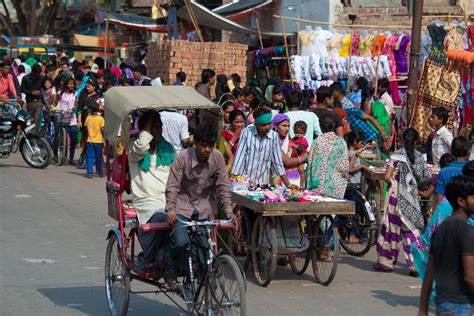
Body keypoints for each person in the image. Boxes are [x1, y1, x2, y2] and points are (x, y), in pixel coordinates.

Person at [165, 123, 235, 284]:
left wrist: (228, 210)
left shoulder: (217, 157)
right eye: (203, 145)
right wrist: (170, 210)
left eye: (210, 146)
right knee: (181, 241)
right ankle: (171, 266)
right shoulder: (182, 157)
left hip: (205, 208)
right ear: (196, 142)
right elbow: (173, 186)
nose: (207, 150)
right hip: (182, 206)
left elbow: (223, 186)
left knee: (207, 252)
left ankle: (211, 297)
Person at [374, 128, 432, 276]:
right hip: (411, 199)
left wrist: (394, 184)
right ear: (417, 141)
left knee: (391, 229)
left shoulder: (397, 155)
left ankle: (386, 262)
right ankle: (415, 266)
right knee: (411, 232)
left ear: (401, 139)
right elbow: (425, 179)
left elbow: (387, 176)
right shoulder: (420, 157)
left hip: (395, 198)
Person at [418, 175, 474, 316]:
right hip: (461, 305)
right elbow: (469, 277)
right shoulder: (467, 232)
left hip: (443, 304)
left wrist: (423, 309)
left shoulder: (440, 230)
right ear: (461, 201)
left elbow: (429, 273)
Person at [128, 110, 174, 269]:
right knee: (163, 219)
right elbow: (141, 146)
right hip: (147, 202)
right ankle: (150, 258)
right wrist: (147, 125)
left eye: (159, 126)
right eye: (154, 127)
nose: (158, 130)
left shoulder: (168, 149)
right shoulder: (134, 148)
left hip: (168, 200)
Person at [231, 106, 296, 188]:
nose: (267, 127)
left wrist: (288, 184)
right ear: (256, 124)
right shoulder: (247, 132)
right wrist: (231, 179)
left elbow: (278, 163)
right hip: (245, 182)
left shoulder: (274, 136)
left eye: (269, 124)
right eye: (264, 125)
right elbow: (239, 158)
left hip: (262, 183)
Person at [306, 114, 349, 198]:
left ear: (320, 126)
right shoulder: (341, 142)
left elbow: (310, 164)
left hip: (317, 186)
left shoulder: (316, 142)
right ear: (333, 125)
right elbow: (344, 167)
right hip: (336, 187)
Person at [434, 136, 472, 210]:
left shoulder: (444, 172)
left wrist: (433, 220)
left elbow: (438, 201)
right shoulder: (471, 169)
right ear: (469, 151)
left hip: (450, 216)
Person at [272, 114, 307, 187]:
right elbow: (287, 162)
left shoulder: (288, 139)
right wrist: (305, 157)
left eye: (288, 126)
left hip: (294, 177)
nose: (287, 128)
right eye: (284, 126)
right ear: (275, 126)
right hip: (279, 178)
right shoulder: (272, 141)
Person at [54, 78, 79, 164]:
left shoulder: (75, 93)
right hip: (62, 117)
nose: (71, 85)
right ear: (66, 85)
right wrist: (55, 109)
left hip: (72, 118)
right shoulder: (60, 93)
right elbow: (55, 103)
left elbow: (76, 103)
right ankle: (59, 156)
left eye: (73, 84)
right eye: (70, 84)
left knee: (74, 139)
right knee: (59, 138)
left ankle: (71, 158)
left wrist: (75, 107)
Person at [84, 102, 104, 178]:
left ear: (90, 110)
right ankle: (99, 171)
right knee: (98, 157)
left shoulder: (88, 118)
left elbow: (86, 128)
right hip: (98, 141)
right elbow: (102, 129)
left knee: (90, 157)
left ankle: (90, 172)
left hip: (90, 140)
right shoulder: (101, 119)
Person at [21, 64, 44, 130]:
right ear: (33, 72)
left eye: (39, 73)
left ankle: (34, 134)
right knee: (29, 121)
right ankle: (29, 133)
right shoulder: (25, 78)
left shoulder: (41, 78)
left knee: (37, 120)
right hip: (30, 102)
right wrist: (31, 93)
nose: (38, 75)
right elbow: (22, 89)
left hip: (39, 101)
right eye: (37, 73)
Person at [289, 120, 308, 187]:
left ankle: (302, 185)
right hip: (294, 158)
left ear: (304, 133)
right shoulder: (293, 139)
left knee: (301, 171)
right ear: (294, 131)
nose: (299, 134)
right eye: (297, 132)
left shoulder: (303, 140)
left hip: (300, 158)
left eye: (301, 133)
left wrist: (294, 145)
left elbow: (300, 149)